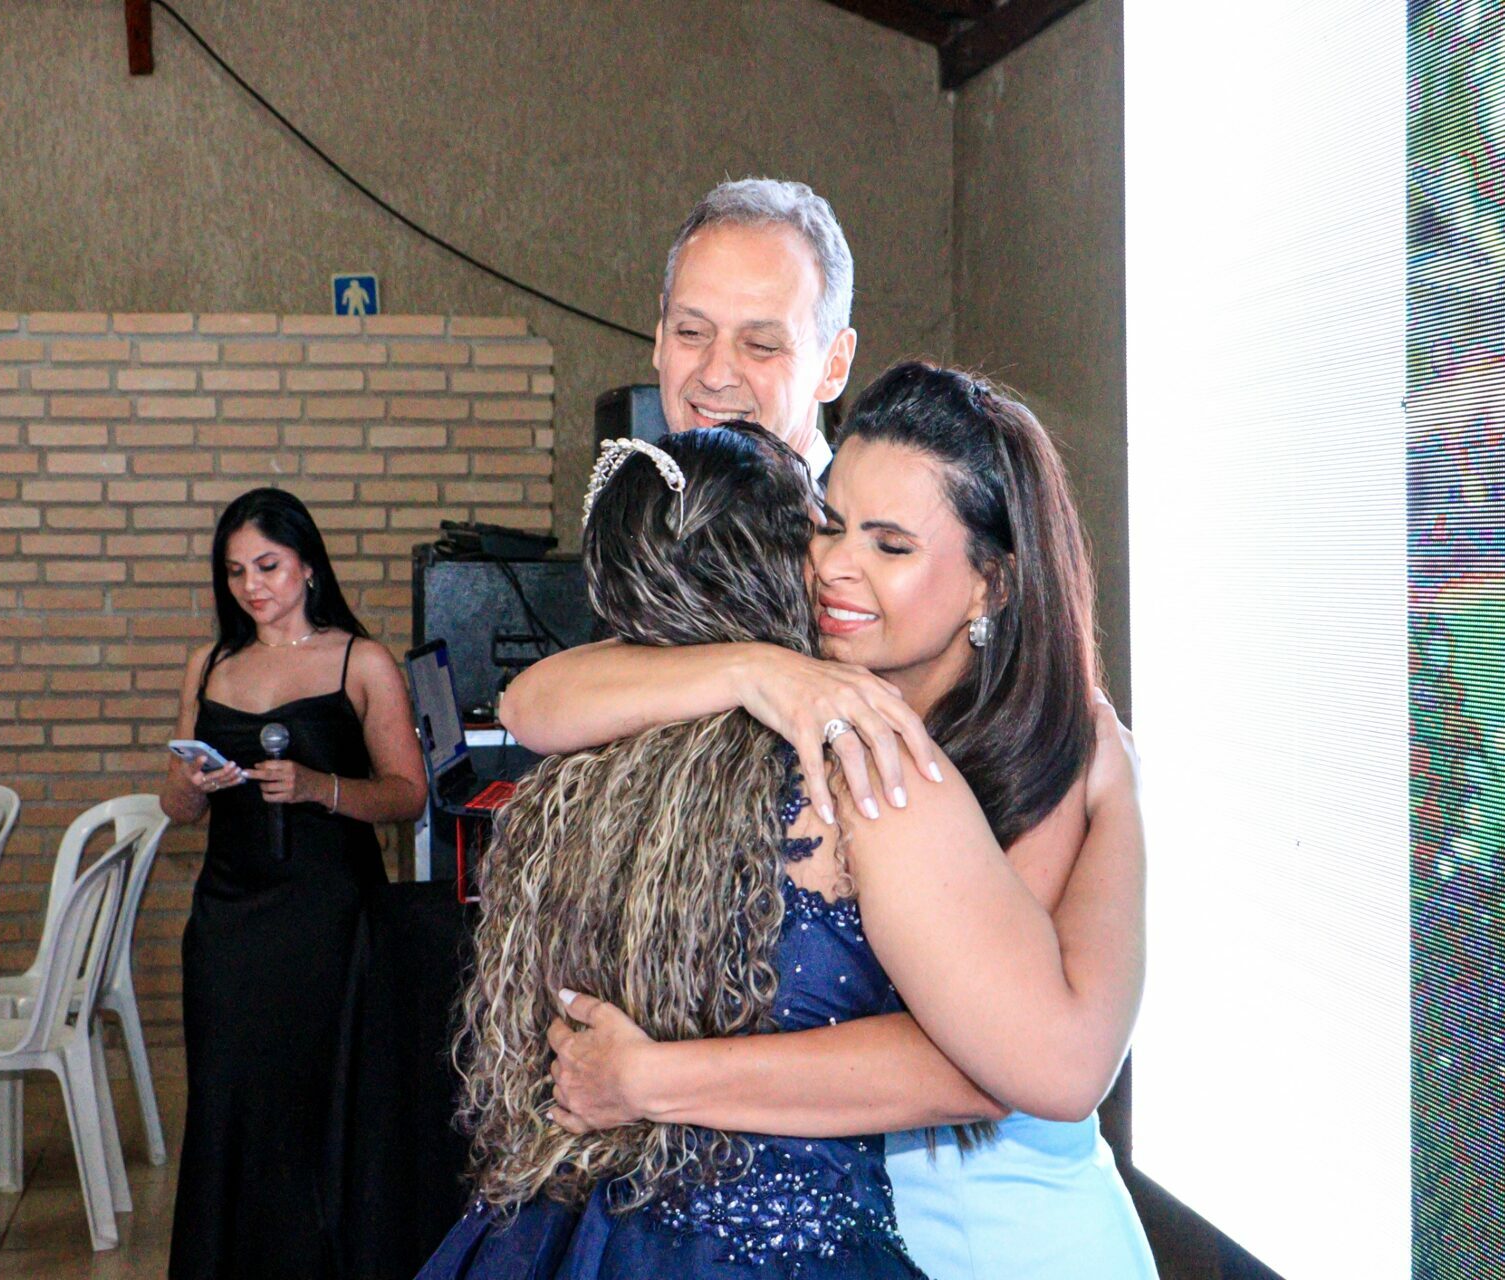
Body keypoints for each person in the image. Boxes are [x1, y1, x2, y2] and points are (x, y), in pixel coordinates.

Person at [420, 421, 1121, 1280]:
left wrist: (1119, 800)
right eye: (827, 528)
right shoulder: (858, 768)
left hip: (609, 1235)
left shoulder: (604, 771)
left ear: (991, 582)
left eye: (889, 543)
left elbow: (1030, 1062)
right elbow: (531, 699)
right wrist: (756, 669)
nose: (836, 565)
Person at [160, 487, 425, 1280]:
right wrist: (192, 785)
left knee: (317, 1106)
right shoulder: (209, 664)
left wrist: (320, 788)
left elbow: (408, 794)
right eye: (235, 571)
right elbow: (175, 808)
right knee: (227, 1100)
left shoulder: (360, 661)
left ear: (308, 565)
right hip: (228, 920)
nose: (252, 586)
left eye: (268, 566)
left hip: (326, 918)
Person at [652, 178, 859, 477]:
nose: (715, 376)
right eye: (691, 333)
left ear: (834, 366)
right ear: (661, 336)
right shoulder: (622, 504)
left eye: (761, 345)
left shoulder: (871, 507)